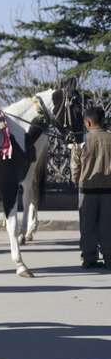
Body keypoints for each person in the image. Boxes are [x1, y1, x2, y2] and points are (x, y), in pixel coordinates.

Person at [71, 106, 111, 268]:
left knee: (87, 226)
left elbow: (75, 168)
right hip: (109, 191)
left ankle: (89, 258)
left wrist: (77, 182)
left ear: (87, 122)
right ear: (102, 121)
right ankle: (109, 257)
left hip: (87, 191)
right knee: (108, 225)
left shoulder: (81, 142)